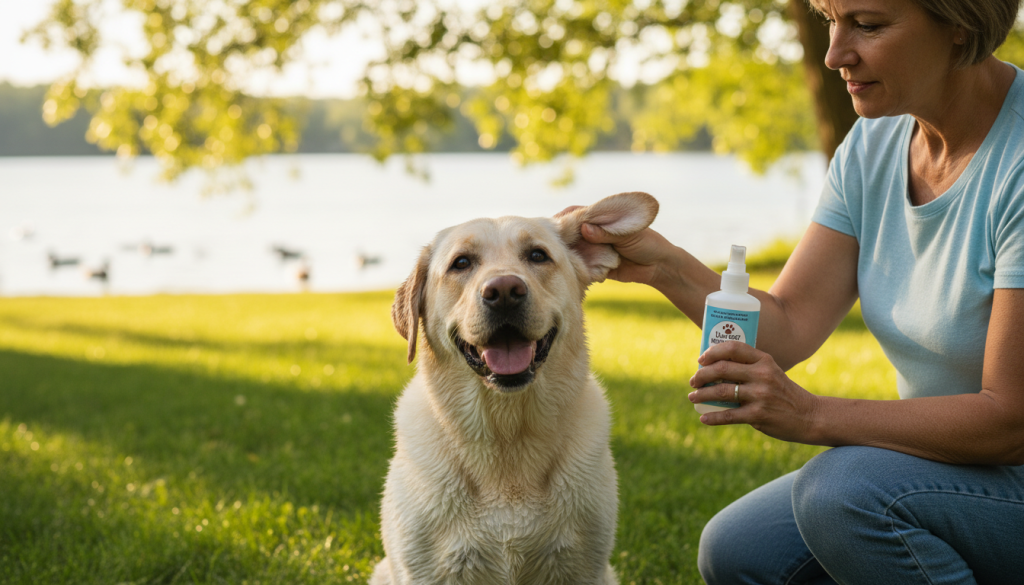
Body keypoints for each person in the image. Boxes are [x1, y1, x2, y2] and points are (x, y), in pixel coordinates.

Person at [572, 0, 1024, 582]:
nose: (835, 54)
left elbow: (1010, 419)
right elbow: (788, 323)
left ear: (960, 27)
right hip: (959, 470)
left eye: (868, 24)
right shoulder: (875, 145)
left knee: (843, 495)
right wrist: (664, 265)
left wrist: (811, 414)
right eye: (829, 21)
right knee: (741, 549)